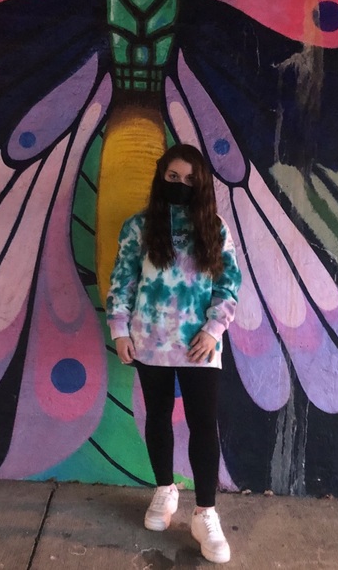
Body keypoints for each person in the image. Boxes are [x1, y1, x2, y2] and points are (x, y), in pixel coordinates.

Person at [106, 144, 241, 564]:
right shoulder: (139, 226)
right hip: (150, 342)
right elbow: (122, 280)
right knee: (158, 416)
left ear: (201, 184)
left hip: (199, 346)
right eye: (173, 177)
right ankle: (164, 489)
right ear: (161, 177)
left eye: (189, 179)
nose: (181, 184)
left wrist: (214, 329)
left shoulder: (214, 227)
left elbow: (229, 285)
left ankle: (205, 513)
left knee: (203, 425)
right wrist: (119, 330)